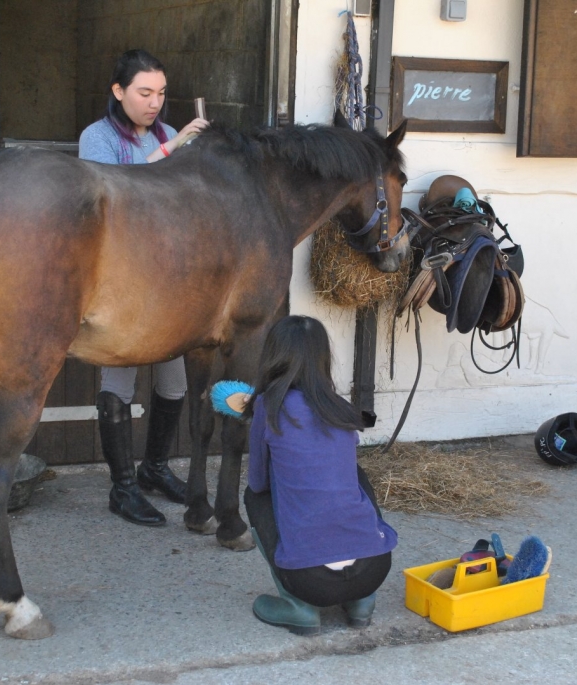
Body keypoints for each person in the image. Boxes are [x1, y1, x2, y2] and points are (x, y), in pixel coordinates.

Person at [78, 49, 208, 526]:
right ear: (119, 92)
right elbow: (113, 193)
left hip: (167, 274)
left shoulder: (169, 133)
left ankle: (154, 468)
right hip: (118, 276)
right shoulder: (97, 138)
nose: (155, 103)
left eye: (160, 93)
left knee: (174, 379)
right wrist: (174, 151)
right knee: (120, 376)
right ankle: (123, 486)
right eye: (144, 92)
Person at [243, 316, 398, 635]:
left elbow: (258, 483)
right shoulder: (341, 410)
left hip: (310, 581)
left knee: (253, 496)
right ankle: (360, 602)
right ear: (323, 358)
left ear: (274, 356)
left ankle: (298, 607)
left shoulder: (269, 406)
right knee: (355, 476)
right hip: (375, 569)